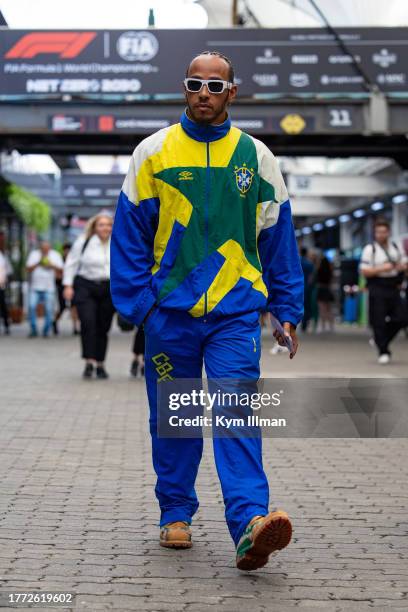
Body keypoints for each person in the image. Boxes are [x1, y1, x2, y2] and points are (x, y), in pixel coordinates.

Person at [110, 51, 304, 571]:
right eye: (195, 83)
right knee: (175, 419)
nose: (204, 92)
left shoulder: (257, 157)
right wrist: (143, 308)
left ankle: (250, 524)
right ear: (184, 88)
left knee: (236, 412)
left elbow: (278, 240)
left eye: (214, 85)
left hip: (235, 316)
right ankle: (175, 512)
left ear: (231, 92)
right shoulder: (152, 153)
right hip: (169, 318)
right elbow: (129, 237)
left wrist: (286, 310)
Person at [63, 213, 115, 379]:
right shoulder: (83, 241)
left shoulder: (117, 243)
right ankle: (89, 362)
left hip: (108, 288)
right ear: (94, 226)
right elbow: (71, 263)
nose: (105, 228)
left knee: (103, 326)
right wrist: (68, 285)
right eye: (101, 224)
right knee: (88, 323)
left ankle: (100, 363)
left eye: (108, 224)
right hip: (86, 286)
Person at [360, 218, 407, 364]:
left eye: (384, 232)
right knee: (378, 320)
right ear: (375, 233)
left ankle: (380, 338)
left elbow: (404, 264)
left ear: (388, 232)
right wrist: (382, 268)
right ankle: (383, 351)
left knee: (402, 317)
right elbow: (364, 271)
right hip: (377, 286)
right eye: (378, 232)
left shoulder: (395, 247)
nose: (381, 235)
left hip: (393, 287)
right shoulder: (370, 249)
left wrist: (401, 268)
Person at [26, 240, 63, 337]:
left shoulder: (55, 255)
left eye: (47, 248)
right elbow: (28, 268)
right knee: (31, 306)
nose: (45, 250)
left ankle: (46, 330)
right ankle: (33, 329)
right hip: (35, 287)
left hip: (49, 287)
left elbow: (61, 270)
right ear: (40, 248)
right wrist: (39, 262)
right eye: (43, 248)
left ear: (49, 248)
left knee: (49, 309)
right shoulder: (34, 255)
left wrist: (51, 265)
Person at [53, 243, 80, 336]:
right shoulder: (60, 260)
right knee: (62, 307)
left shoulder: (75, 260)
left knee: (74, 307)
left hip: (74, 286)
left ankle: (75, 327)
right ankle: (55, 322)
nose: (67, 252)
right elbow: (57, 275)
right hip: (62, 287)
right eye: (66, 250)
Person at [316, 255, 335, 332]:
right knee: (329, 309)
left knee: (322, 309)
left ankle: (323, 326)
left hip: (321, 289)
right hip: (328, 289)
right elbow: (332, 280)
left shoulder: (319, 269)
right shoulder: (330, 270)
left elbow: (316, 279)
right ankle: (331, 326)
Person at [300, 246, 315, 332]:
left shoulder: (297, 261)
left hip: (298, 288)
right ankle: (305, 324)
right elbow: (311, 277)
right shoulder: (309, 263)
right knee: (307, 306)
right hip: (307, 288)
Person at [0, 232, 12, 335]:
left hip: (1, 284)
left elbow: (6, 269)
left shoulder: (3, 253)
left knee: (3, 305)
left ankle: (6, 325)